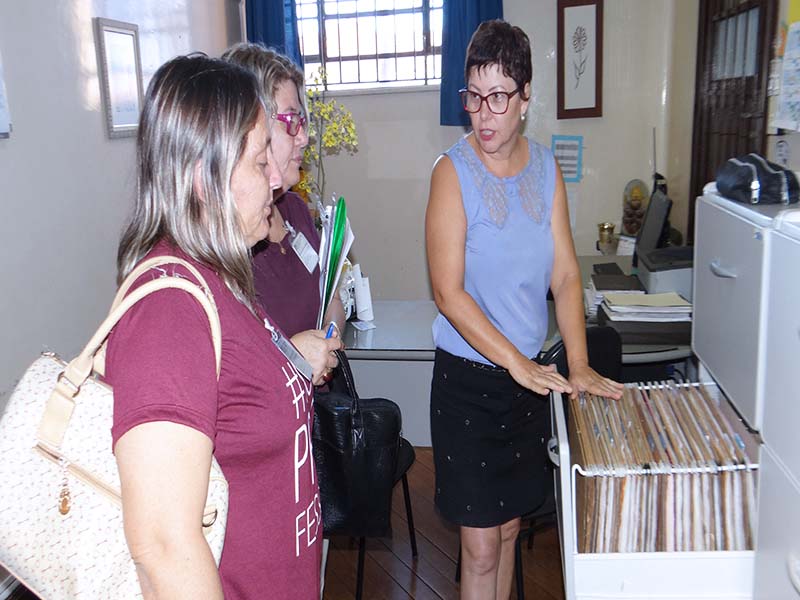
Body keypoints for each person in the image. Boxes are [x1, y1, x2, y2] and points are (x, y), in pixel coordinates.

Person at [106, 54, 341, 600]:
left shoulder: (221, 277)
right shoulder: (168, 308)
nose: (279, 177)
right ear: (202, 178)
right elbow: (163, 546)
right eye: (261, 163)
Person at [425, 20, 624, 600]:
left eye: (498, 98)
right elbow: (448, 293)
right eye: (473, 97)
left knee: (510, 530)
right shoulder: (451, 174)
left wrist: (579, 362)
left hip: (527, 383)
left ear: (526, 96)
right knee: (480, 548)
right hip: (469, 383)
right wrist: (515, 361)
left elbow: (564, 273)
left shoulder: (545, 168)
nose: (483, 114)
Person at [222, 43, 346, 340]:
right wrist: (297, 359)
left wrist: (329, 339)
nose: (303, 138)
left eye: (302, 121)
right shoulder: (226, 244)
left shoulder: (295, 209)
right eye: (291, 121)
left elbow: (331, 300)